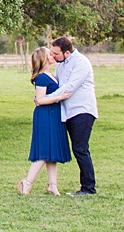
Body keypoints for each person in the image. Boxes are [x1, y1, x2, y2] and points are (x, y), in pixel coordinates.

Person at [36, 35, 98, 195]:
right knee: (78, 148)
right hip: (67, 112)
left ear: (67, 53)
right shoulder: (62, 65)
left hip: (82, 110)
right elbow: (56, 84)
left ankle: (88, 188)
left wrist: (44, 99)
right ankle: (76, 186)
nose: (53, 57)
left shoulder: (81, 63)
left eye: (56, 53)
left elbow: (70, 87)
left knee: (80, 148)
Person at [18, 46, 70, 195]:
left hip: (54, 114)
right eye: (50, 54)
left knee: (51, 151)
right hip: (45, 115)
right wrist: (59, 98)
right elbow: (40, 100)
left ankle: (52, 185)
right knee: (44, 150)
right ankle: (27, 183)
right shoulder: (41, 77)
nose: (53, 55)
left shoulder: (50, 74)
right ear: (44, 58)